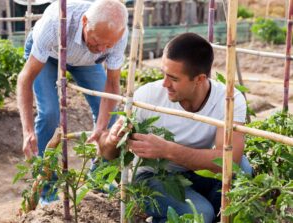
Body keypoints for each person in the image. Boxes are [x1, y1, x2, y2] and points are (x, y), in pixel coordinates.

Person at [97, 33, 252, 223]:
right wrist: (112, 140)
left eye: (174, 78)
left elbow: (230, 160)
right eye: (164, 74)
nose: (164, 83)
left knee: (242, 170)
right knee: (200, 215)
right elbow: (107, 154)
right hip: (153, 175)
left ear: (200, 79)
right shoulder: (147, 97)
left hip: (191, 172)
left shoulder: (228, 100)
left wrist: (167, 150)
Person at [17, 0, 128, 203]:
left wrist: (100, 127)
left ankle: (98, 178)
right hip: (49, 55)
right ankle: (47, 188)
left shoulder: (117, 34)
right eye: (97, 41)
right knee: (50, 113)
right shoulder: (54, 23)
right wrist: (27, 130)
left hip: (85, 61)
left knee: (111, 119)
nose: (102, 48)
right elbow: (26, 77)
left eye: (108, 45)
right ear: (85, 22)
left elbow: (112, 84)